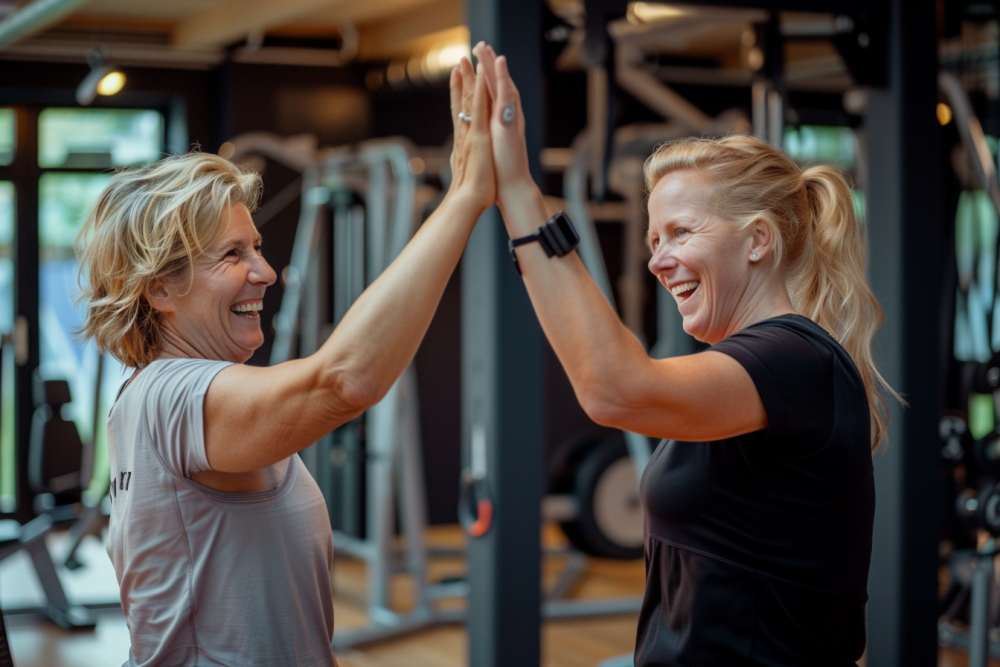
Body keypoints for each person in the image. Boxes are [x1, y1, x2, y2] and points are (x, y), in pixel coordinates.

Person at [473, 42, 900, 666]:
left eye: (680, 232)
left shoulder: (796, 359)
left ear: (758, 241)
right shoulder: (749, 369)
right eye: (653, 239)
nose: (656, 260)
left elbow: (615, 389)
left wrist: (517, 189)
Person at [76, 57, 494, 667]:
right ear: (160, 290)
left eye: (259, 248)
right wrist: (464, 198)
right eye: (232, 254)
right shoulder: (175, 392)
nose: (265, 272)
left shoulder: (152, 394)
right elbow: (345, 381)